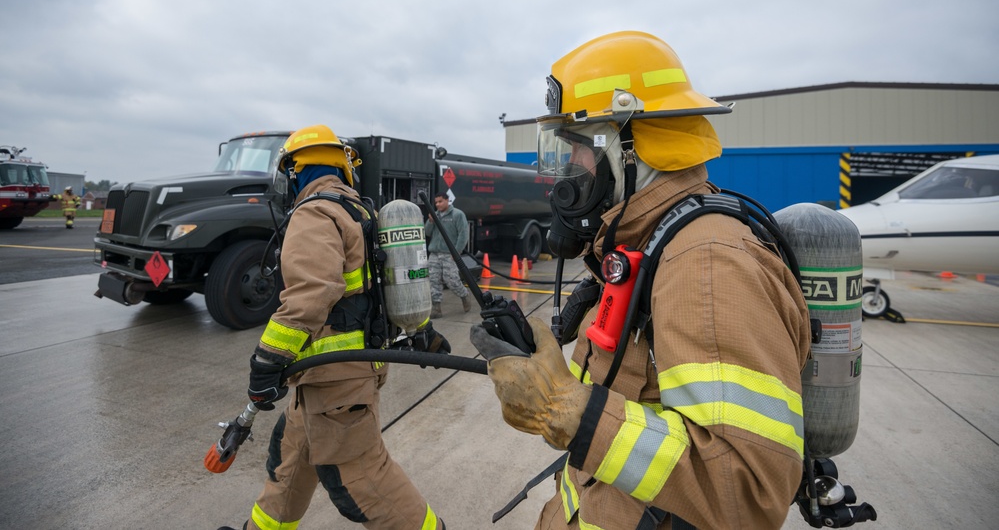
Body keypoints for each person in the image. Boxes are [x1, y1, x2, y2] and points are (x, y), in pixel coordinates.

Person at [471, 31, 810, 529]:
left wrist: (564, 408)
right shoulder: (646, 245)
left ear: (633, 149)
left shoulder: (706, 265)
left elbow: (746, 493)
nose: (571, 170)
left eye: (580, 150)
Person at [219, 125, 446, 530]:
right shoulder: (360, 212)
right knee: (287, 467)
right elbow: (390, 286)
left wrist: (267, 360)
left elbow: (310, 295)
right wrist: (421, 329)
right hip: (331, 379)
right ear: (343, 168)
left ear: (294, 172)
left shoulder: (314, 213)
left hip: (337, 385)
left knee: (362, 482)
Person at [424, 191, 472, 318]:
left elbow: (463, 234)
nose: (438, 205)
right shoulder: (435, 216)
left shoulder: (457, 215)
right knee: (434, 280)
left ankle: (464, 295)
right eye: (436, 203)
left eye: (440, 201)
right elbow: (427, 233)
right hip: (434, 253)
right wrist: (430, 221)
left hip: (448, 254)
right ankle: (436, 308)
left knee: (451, 280)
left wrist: (456, 252)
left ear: (447, 200)